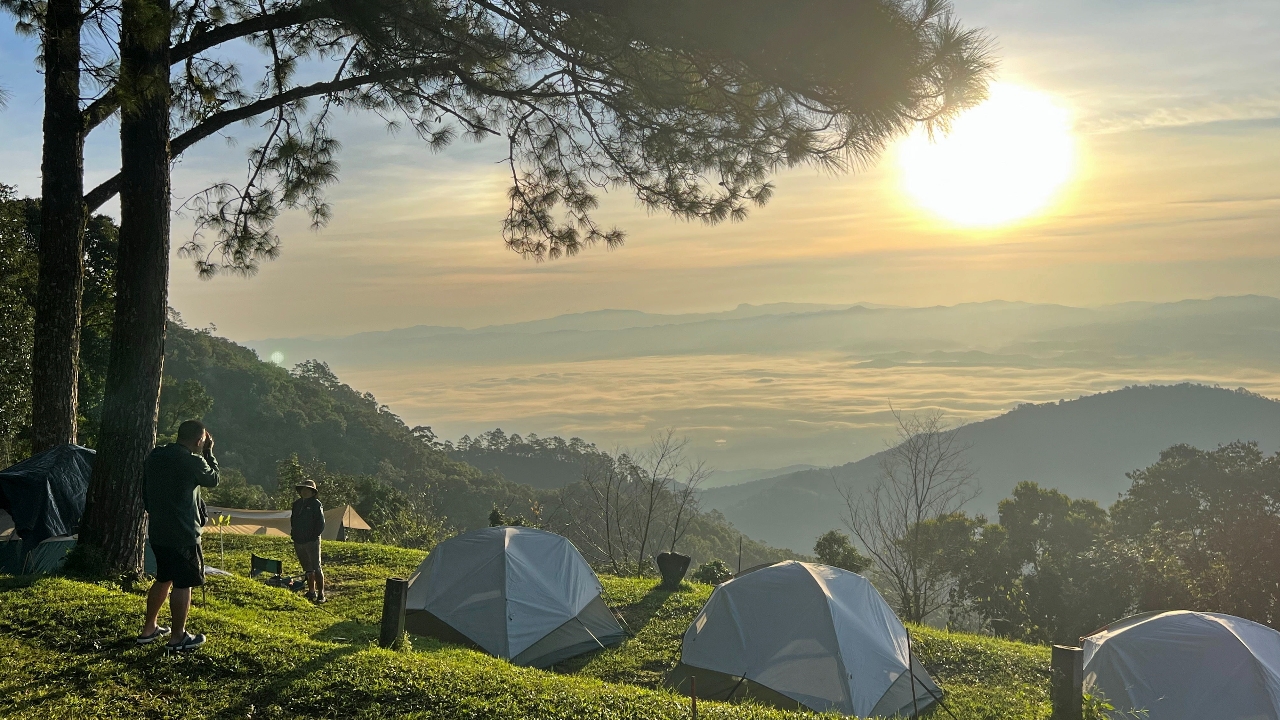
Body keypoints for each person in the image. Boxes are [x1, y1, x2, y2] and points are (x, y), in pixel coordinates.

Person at [138, 420, 219, 651]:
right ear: (199, 439)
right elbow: (213, 479)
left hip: (158, 530)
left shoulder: (156, 456)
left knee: (163, 578)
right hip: (183, 532)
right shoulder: (192, 460)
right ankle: (178, 638)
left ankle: (149, 629)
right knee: (184, 583)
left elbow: (145, 490)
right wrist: (208, 453)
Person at [291, 478, 326, 603]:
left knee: (316, 567)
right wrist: (294, 535)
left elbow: (321, 524)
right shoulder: (297, 504)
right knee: (307, 568)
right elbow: (293, 521)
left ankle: (321, 594)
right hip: (298, 540)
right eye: (303, 489)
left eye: (308, 490)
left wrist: (313, 536)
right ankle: (311, 592)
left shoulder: (316, 504)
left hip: (312, 541)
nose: (305, 492)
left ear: (313, 492)